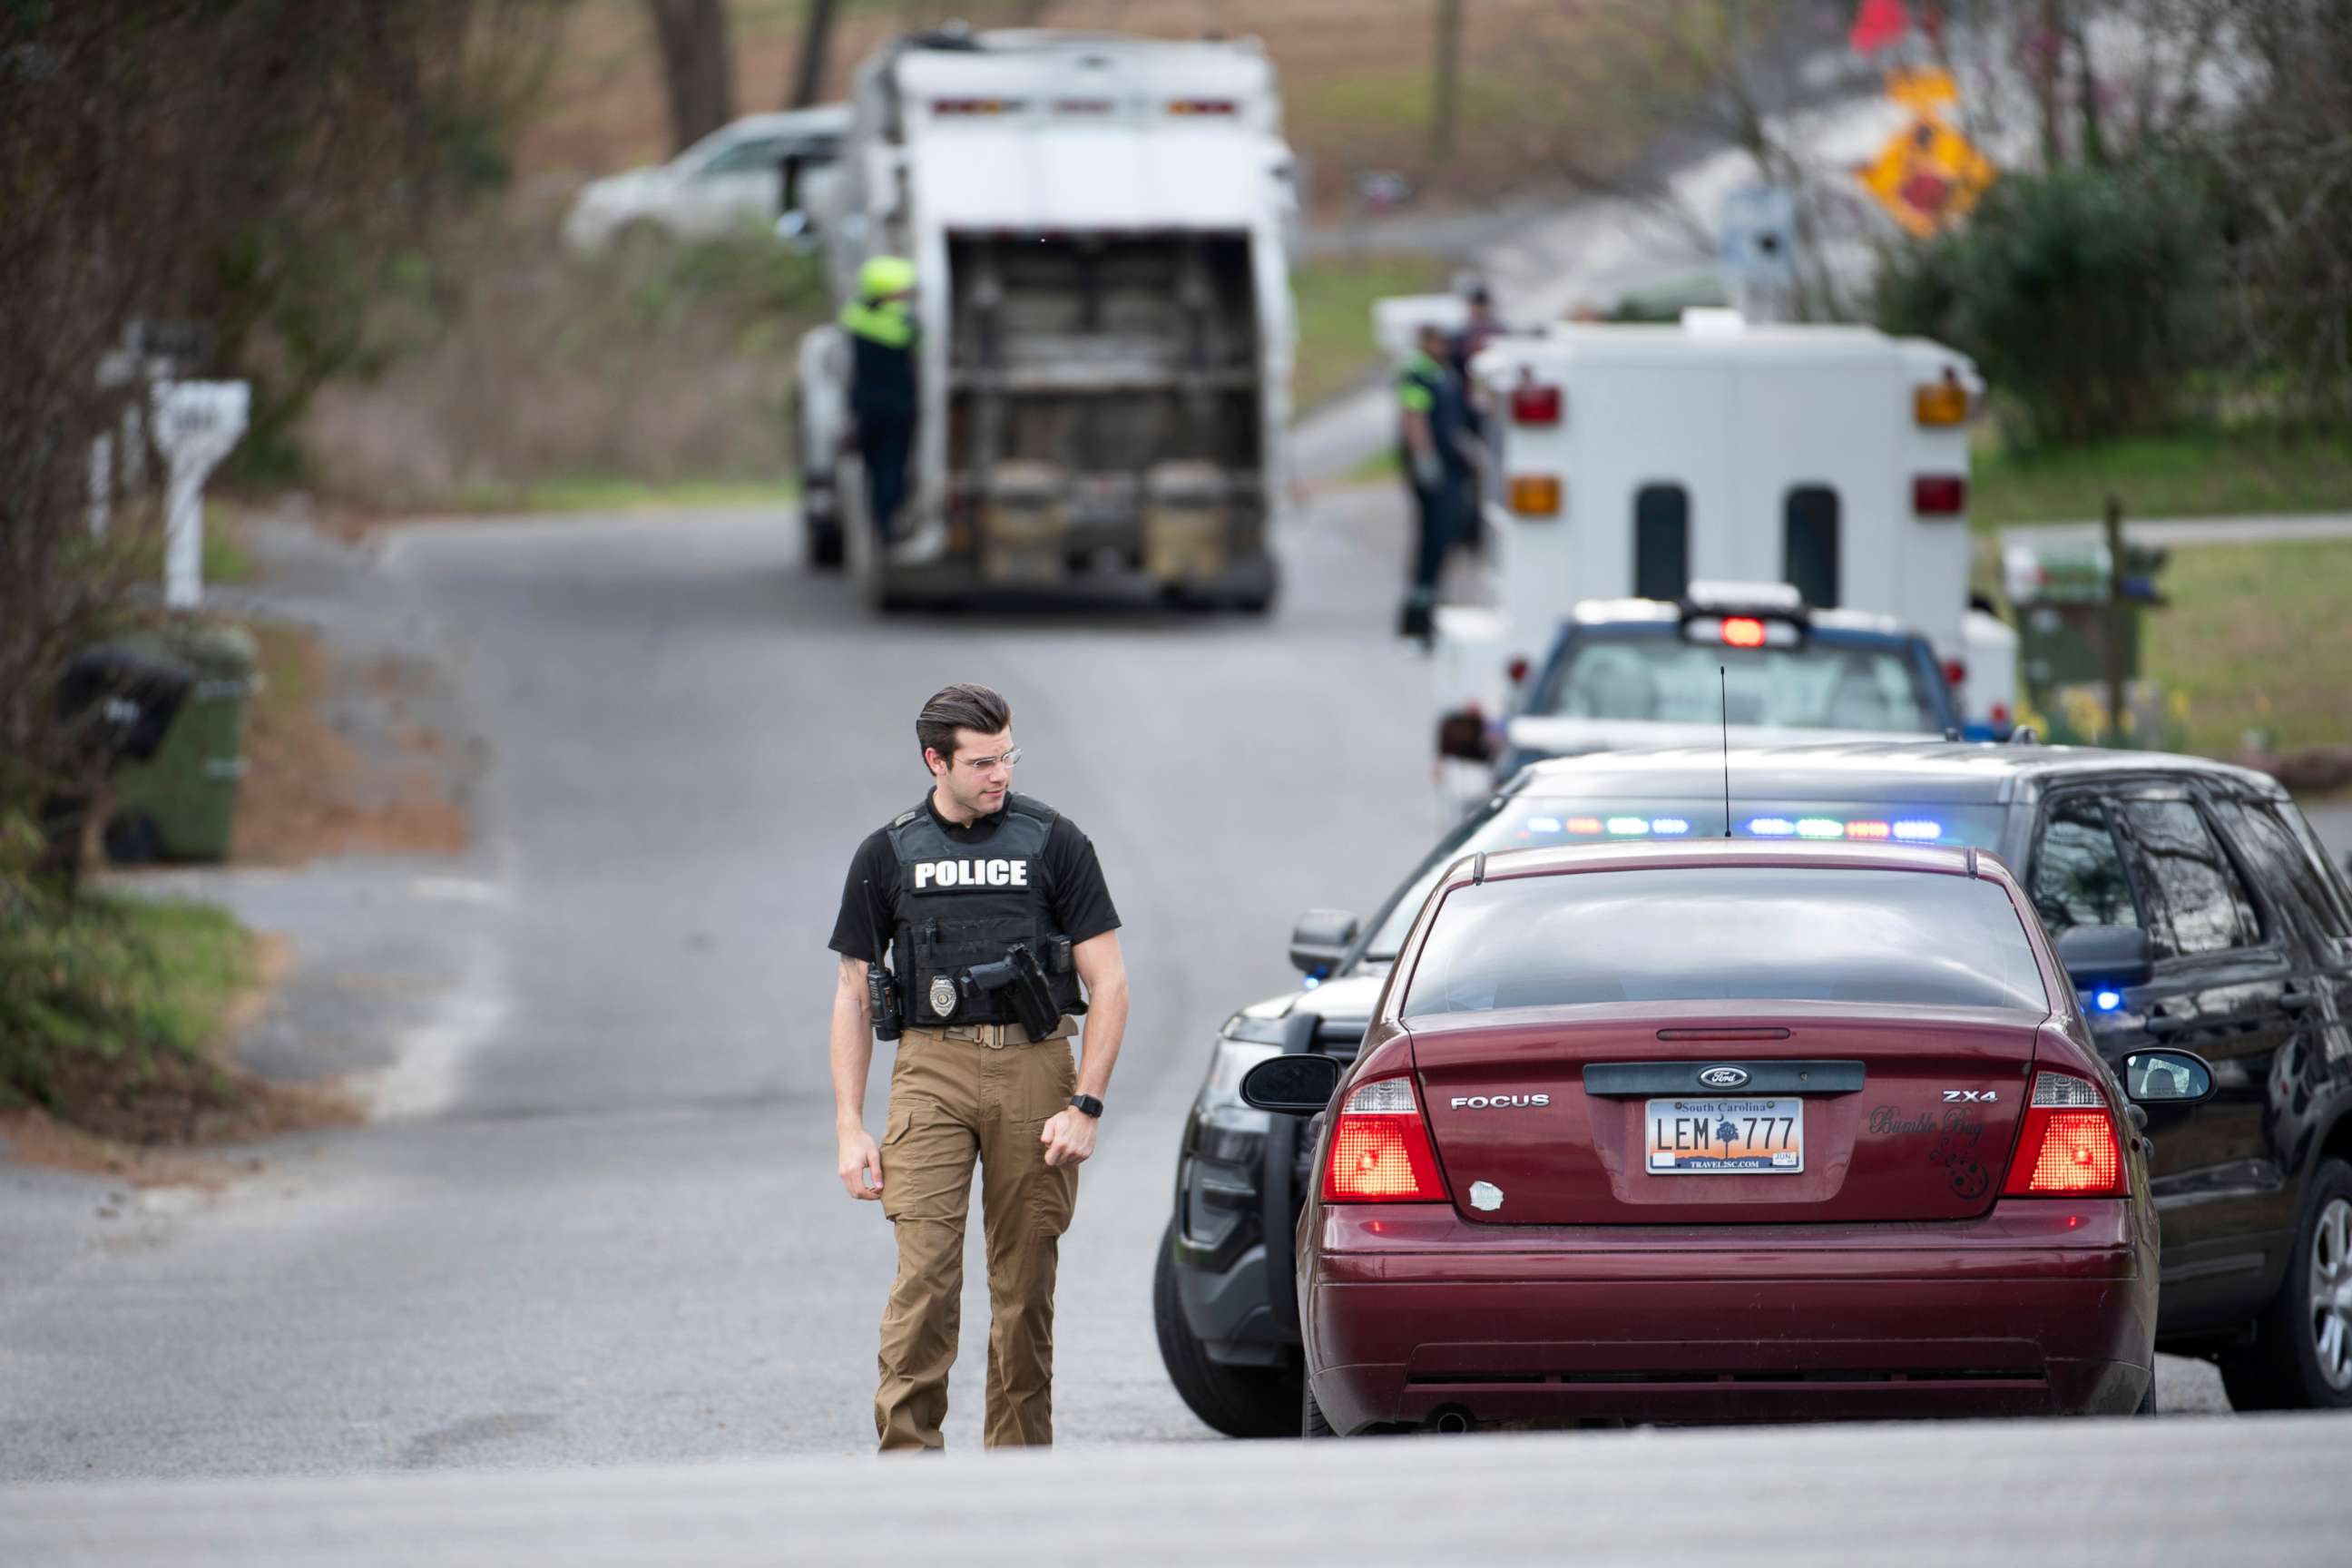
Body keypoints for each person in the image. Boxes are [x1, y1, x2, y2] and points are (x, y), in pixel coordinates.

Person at [828, 682, 1129, 1453]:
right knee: (925, 1278)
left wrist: (1086, 1105)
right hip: (930, 1071)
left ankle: (1016, 1473)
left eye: (1009, 756)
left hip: (1035, 1067)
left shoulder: (1054, 842)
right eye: (983, 761)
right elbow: (852, 991)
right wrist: (850, 1126)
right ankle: (908, 1463)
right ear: (937, 761)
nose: (1001, 774)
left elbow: (1111, 982)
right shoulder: (888, 854)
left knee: (1025, 1288)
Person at [1396, 322, 1474, 641]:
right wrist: (1424, 458)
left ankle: (1430, 596)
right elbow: (1413, 416)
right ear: (1426, 341)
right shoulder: (1418, 372)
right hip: (1434, 469)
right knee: (1435, 534)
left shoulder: (1445, 372)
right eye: (1439, 341)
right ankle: (1421, 602)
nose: (1444, 347)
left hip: (1451, 467)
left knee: (1446, 533)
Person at [841, 255, 919, 541]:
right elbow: (910, 338)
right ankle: (888, 523)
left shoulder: (856, 315)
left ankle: (879, 521)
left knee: (875, 469)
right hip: (896, 407)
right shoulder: (899, 323)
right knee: (893, 466)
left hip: (865, 407)